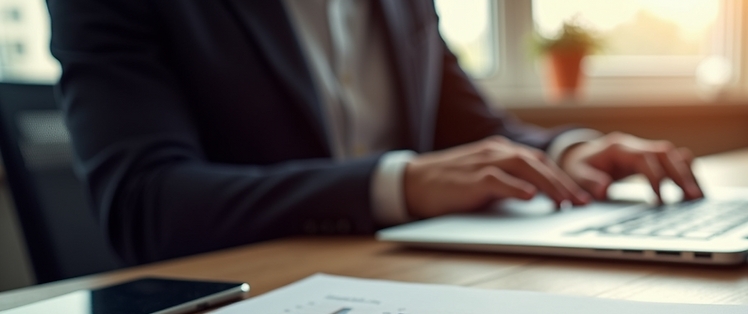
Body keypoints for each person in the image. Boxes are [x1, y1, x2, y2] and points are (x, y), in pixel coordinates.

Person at [47, 0, 703, 265]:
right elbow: (144, 203)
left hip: (406, 288)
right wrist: (399, 183)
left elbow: (473, 129)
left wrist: (569, 149)